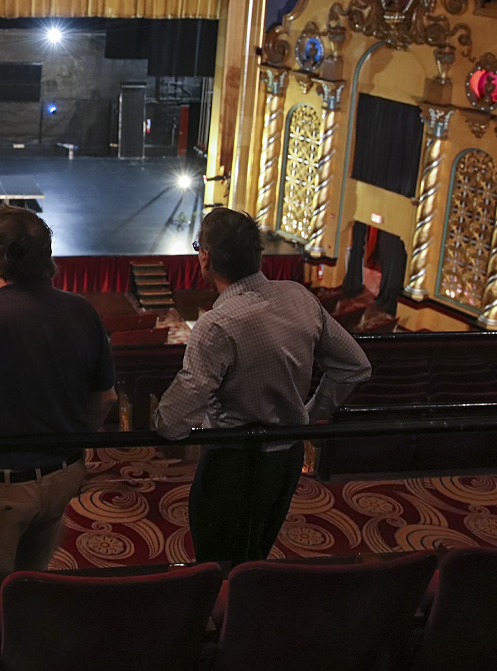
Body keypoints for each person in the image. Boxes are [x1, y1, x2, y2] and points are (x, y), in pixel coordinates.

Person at [154, 208, 370, 564]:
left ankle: (224, 617)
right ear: (258, 254)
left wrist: (166, 425)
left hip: (234, 465)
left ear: (204, 258)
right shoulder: (299, 297)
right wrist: (308, 414)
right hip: (287, 458)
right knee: (255, 554)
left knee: (218, 562)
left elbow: (172, 421)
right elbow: (356, 366)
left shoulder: (216, 325)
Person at [0, 206, 118, 573]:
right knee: (30, 584)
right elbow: (107, 397)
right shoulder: (83, 310)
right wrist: (72, 436)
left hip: (3, 489)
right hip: (65, 475)